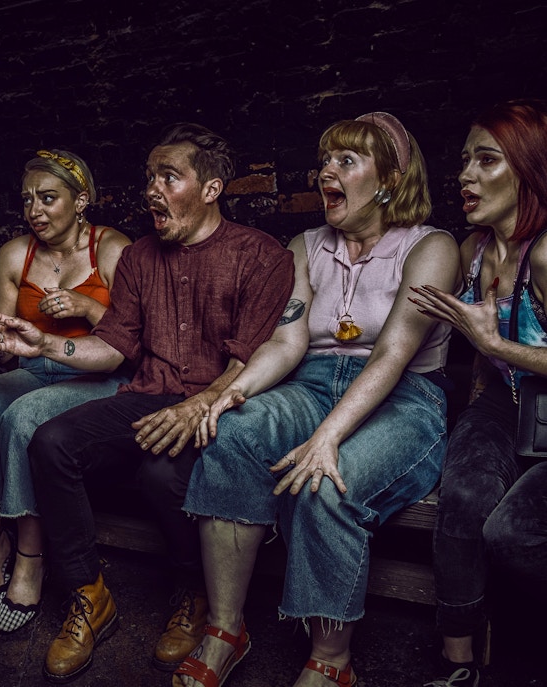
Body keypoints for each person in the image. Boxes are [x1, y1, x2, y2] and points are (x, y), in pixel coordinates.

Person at [0, 123, 295, 683]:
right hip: (148, 394)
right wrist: (46, 342)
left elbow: (252, 359)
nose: (152, 188)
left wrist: (200, 406)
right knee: (51, 442)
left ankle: (194, 591)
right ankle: (88, 596)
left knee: (161, 474)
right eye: (150, 176)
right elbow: (114, 347)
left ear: (211, 188)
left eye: (169, 176)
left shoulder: (259, 254)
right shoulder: (140, 258)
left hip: (221, 402)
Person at [175, 112, 458, 687]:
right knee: (234, 437)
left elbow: (392, 355)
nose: (326, 171)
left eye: (345, 161)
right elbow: (288, 339)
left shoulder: (432, 247)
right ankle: (226, 629)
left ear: (390, 180)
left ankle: (331, 662)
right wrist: (233, 394)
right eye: (325, 160)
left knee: (329, 479)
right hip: (310, 383)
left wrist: (326, 437)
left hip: (401, 397)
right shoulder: (305, 245)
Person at [0, 149, 131, 633]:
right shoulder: (15, 253)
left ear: (81, 199)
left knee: (24, 418)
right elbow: (5, 353)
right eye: (28, 200)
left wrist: (87, 308)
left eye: (48, 198)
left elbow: (133, 343)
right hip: (36, 369)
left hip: (101, 377)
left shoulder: (112, 250)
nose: (35, 211)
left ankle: (31, 558)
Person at [411, 99, 547, 687]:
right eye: (465, 160)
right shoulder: (473, 251)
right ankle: (458, 666)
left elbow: (494, 342)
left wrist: (496, 342)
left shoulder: (544, 256)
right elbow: (480, 362)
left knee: (511, 533)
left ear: (529, 169)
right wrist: (468, 423)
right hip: (506, 403)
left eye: (486, 160)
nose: (465, 175)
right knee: (462, 494)